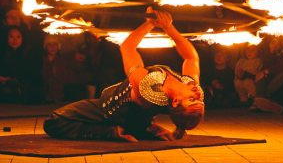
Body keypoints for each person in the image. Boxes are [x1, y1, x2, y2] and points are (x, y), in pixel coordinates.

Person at [43, 8, 204, 142]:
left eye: (192, 99)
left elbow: (127, 48)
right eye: (198, 99)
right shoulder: (188, 84)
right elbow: (191, 57)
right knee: (141, 123)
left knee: (54, 121)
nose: (197, 93)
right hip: (136, 117)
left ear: (175, 101)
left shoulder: (147, 89)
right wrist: (168, 27)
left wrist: (150, 23)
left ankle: (111, 132)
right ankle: (145, 128)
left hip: (110, 112)